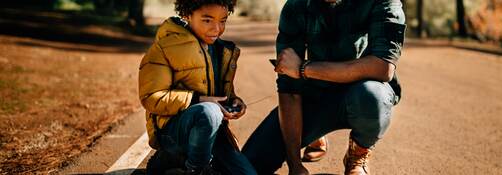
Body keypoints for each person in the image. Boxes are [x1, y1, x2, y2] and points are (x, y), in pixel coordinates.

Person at [242, 0, 406, 174]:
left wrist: (303, 69)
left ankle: (358, 155)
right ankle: (316, 134)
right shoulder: (296, 6)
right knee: (248, 165)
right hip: (315, 96)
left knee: (372, 97)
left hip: (360, 94)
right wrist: (294, 164)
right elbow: (289, 89)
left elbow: (383, 67)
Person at [138, 0, 256, 174]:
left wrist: (233, 101)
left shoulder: (222, 50)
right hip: (174, 132)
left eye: (222, 21)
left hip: (212, 133)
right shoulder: (164, 47)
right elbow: (151, 97)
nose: (216, 29)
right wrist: (199, 100)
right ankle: (193, 168)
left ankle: (178, 163)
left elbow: (219, 93)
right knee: (209, 111)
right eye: (207, 20)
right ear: (187, 14)